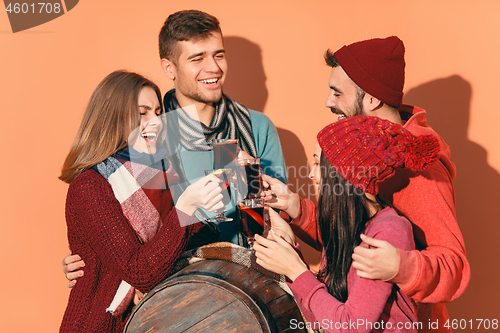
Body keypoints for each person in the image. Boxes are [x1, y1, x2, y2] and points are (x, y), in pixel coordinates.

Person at [62, 9, 288, 285]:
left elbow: (277, 217)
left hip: (248, 285)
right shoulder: (147, 136)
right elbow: (125, 218)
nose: (214, 68)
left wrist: (249, 181)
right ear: (170, 68)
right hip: (171, 293)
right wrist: (94, 262)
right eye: (197, 58)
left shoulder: (257, 128)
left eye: (218, 54)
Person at [262, 36, 470, 332]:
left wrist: (400, 265)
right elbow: (357, 236)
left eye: (337, 93)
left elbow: (454, 268)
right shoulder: (361, 151)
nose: (328, 102)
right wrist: (297, 210)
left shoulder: (423, 172)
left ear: (371, 99)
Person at [58, 70, 224, 332]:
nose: (156, 121)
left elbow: (177, 246)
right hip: (102, 324)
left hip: (154, 319)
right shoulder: (89, 187)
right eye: (142, 112)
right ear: (113, 117)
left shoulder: (159, 172)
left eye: (158, 112)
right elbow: (139, 271)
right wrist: (185, 208)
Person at [255, 115, 442, 332]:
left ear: (344, 174)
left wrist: (296, 271)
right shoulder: (344, 225)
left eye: (318, 163)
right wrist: (290, 251)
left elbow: (351, 327)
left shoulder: (388, 232)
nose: (311, 174)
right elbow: (319, 320)